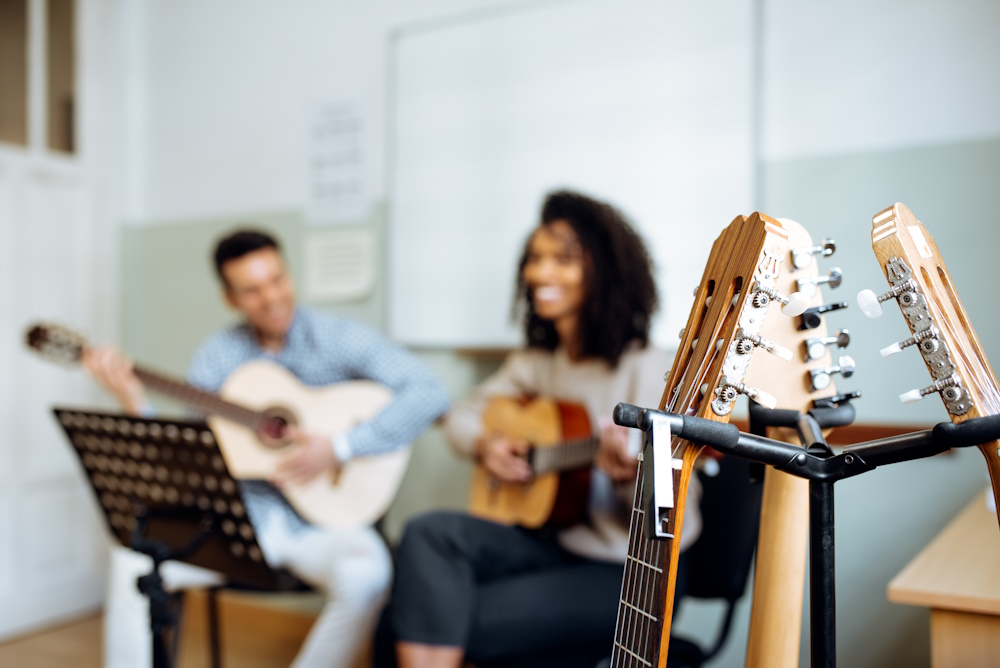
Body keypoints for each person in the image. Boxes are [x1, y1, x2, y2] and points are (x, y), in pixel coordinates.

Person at [84, 229, 450, 668]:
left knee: (369, 575)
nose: (272, 297)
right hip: (239, 527)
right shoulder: (218, 355)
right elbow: (184, 456)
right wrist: (132, 400)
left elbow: (429, 392)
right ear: (230, 299)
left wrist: (340, 447)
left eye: (277, 279)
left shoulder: (337, 337)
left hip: (321, 524)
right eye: (252, 290)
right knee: (131, 561)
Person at [379, 190, 701, 668]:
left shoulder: (651, 368)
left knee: (429, 616)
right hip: (553, 541)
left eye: (562, 260)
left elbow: (673, 513)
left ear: (605, 272)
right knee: (425, 532)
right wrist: (487, 445)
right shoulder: (536, 363)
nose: (539, 273)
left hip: (632, 571)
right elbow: (462, 418)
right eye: (534, 259)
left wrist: (629, 476)